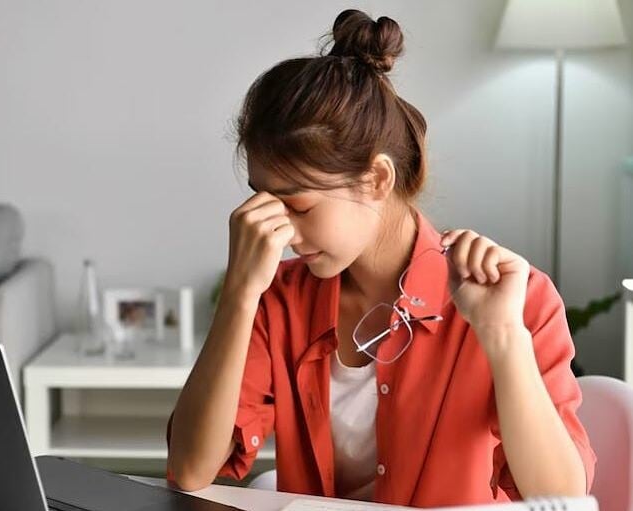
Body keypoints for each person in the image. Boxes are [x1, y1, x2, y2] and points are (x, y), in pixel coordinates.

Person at [165, 8, 596, 507]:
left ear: (376, 180)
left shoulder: (516, 297)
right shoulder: (277, 299)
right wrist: (240, 295)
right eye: (263, 202)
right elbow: (191, 471)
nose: (280, 233)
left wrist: (501, 335)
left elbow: (562, 500)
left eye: (298, 204)